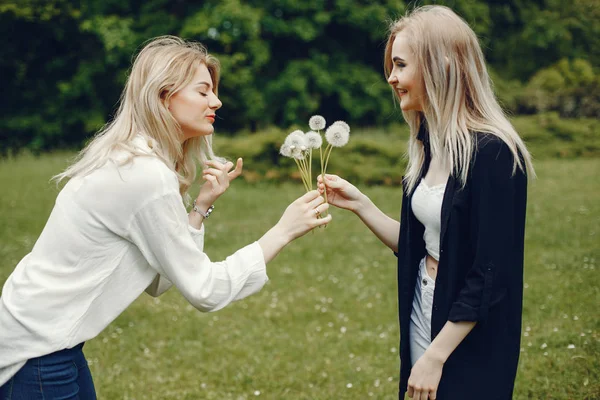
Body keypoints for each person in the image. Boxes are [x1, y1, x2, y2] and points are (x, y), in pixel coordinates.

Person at [0, 36, 331, 399]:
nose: (216, 101)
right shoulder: (144, 175)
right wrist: (282, 231)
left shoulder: (136, 160)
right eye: (203, 91)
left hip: (50, 341)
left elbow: (158, 281)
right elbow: (205, 289)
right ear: (163, 96)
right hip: (36, 351)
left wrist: (200, 207)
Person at [318, 6, 535, 400]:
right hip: (424, 304)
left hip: (468, 332)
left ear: (441, 65)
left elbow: (491, 274)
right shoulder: (427, 146)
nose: (391, 77)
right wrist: (362, 205)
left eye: (400, 65)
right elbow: (421, 247)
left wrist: (435, 357)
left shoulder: (494, 153)